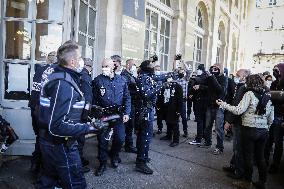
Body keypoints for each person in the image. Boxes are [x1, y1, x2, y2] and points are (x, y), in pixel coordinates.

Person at [36, 41, 105, 189]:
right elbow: (57, 126)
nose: (82, 61)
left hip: (50, 143)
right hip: (60, 145)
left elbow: (63, 107)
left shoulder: (59, 76)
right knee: (76, 184)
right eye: (80, 57)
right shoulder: (63, 83)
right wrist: (89, 127)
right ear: (73, 61)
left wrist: (89, 109)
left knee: (50, 181)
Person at [217, 74, 274, 189]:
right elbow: (271, 118)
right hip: (263, 131)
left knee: (248, 156)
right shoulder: (268, 96)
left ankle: (247, 182)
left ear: (251, 83)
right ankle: (262, 182)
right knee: (260, 157)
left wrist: (223, 104)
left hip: (249, 129)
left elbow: (238, 110)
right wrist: (266, 127)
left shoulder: (249, 94)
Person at [92, 58, 131, 176]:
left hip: (118, 114)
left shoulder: (122, 80)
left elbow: (127, 98)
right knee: (102, 140)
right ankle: (102, 163)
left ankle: (114, 155)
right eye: (103, 66)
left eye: (106, 66)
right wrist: (94, 115)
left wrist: (127, 113)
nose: (104, 68)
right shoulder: (97, 81)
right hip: (103, 115)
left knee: (120, 138)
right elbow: (93, 100)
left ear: (113, 66)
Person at [135, 60, 172, 174]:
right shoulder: (142, 78)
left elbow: (160, 77)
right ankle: (141, 162)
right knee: (145, 136)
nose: (154, 66)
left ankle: (143, 157)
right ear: (146, 67)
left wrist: (173, 73)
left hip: (148, 110)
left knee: (147, 135)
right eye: (151, 65)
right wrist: (161, 86)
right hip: (145, 110)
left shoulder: (148, 76)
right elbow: (146, 95)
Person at [29, 51, 57, 175]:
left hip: (36, 108)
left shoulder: (40, 70)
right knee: (46, 141)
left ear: (47, 59)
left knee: (39, 137)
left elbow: (35, 92)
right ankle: (42, 170)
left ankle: (35, 166)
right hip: (46, 111)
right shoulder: (56, 72)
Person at [222, 69, 251, 180]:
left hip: (239, 121)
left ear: (245, 76)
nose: (236, 77)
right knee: (238, 148)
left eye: (238, 75)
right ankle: (234, 166)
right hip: (240, 121)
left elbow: (237, 106)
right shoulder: (241, 87)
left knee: (238, 148)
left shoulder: (244, 88)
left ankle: (238, 172)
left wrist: (229, 121)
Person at [199, 63, 233, 155]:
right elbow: (203, 82)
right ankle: (208, 142)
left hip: (219, 106)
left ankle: (219, 147)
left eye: (216, 68)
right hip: (210, 105)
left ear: (220, 69)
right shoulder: (211, 77)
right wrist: (206, 74)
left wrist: (212, 78)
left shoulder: (224, 78)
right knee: (207, 126)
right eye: (213, 68)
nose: (214, 70)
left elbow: (220, 90)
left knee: (219, 128)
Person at [265, 63, 284, 174]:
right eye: (273, 70)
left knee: (278, 143)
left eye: (276, 70)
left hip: (280, 117)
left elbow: (274, 95)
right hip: (272, 114)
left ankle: (275, 164)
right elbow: (271, 96)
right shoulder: (274, 83)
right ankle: (265, 160)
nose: (274, 72)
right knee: (268, 139)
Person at [77, 58, 93, 173]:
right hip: (81, 113)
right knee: (79, 139)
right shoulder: (85, 76)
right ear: (89, 66)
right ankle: (78, 164)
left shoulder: (77, 74)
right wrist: (87, 115)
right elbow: (87, 98)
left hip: (76, 111)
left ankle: (79, 159)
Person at [158, 78, 183, 147]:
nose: (169, 82)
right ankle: (168, 135)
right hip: (166, 107)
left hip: (174, 108)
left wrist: (178, 110)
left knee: (174, 124)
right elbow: (161, 96)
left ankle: (176, 140)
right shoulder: (165, 86)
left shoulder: (178, 87)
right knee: (168, 122)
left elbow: (180, 100)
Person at [188, 64, 209, 145]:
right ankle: (202, 135)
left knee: (200, 120)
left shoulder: (199, 79)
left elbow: (193, 88)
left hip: (199, 103)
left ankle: (198, 139)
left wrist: (196, 88)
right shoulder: (207, 77)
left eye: (198, 69)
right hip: (204, 103)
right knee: (203, 120)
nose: (197, 70)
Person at [121, 59, 138, 153]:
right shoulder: (124, 76)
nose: (134, 66)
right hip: (128, 103)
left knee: (130, 126)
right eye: (133, 64)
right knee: (128, 125)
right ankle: (128, 145)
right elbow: (127, 91)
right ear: (128, 65)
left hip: (132, 102)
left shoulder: (130, 75)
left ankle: (128, 144)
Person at [176, 69, 189, 137]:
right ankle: (175, 131)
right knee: (176, 116)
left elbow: (188, 71)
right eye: (180, 72)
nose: (181, 73)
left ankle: (185, 131)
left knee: (184, 117)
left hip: (183, 100)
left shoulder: (185, 80)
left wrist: (182, 61)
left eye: (182, 72)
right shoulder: (176, 81)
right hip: (177, 101)